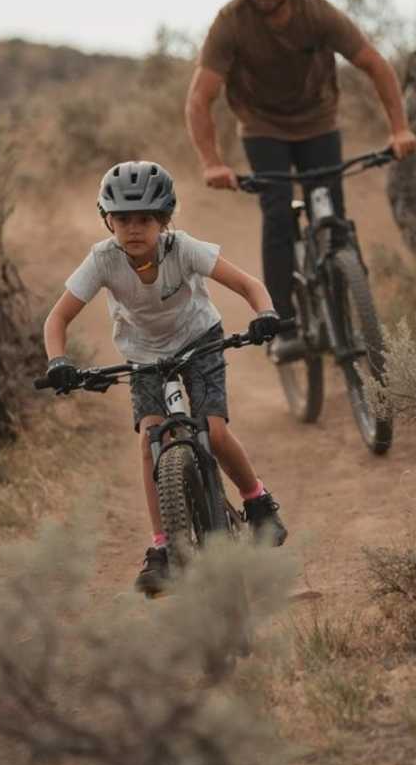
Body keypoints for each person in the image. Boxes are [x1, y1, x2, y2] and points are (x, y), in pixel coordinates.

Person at [42, 160, 289, 595]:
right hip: (144, 357)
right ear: (107, 219)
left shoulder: (185, 248)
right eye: (122, 219)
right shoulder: (102, 260)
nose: (133, 229)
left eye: (145, 219)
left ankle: (257, 501)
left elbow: (249, 284)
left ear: (165, 219)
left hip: (200, 341)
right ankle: (161, 548)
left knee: (213, 430)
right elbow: (57, 319)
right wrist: (58, 360)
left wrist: (265, 313)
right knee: (150, 438)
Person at [185, 0, 416, 358]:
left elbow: (374, 64)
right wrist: (211, 161)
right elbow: (201, 97)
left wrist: (399, 128)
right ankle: (286, 325)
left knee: (332, 214)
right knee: (277, 214)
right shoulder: (232, 22)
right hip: (262, 127)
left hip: (318, 122)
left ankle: (353, 303)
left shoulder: (315, 11)